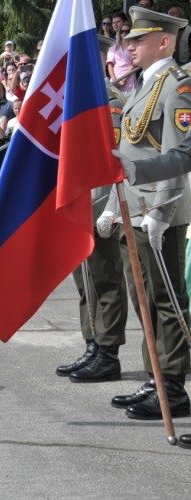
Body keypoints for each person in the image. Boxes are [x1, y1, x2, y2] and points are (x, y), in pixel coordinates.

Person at [100, 7, 191, 421]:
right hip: (132, 210)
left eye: (138, 39)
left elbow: (181, 154)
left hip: (158, 211)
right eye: (129, 39)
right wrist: (111, 207)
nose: (129, 45)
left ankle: (172, 386)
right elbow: (130, 150)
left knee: (167, 301)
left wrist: (163, 210)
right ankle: (156, 376)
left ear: (165, 41)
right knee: (145, 301)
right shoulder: (138, 87)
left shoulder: (177, 86)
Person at [57, 34, 129, 383]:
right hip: (77, 204)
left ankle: (109, 351)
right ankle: (92, 344)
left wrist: (113, 209)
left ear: (99, 59)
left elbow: (120, 163)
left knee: (106, 280)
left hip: (101, 205)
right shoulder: (69, 101)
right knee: (85, 281)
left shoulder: (110, 101)